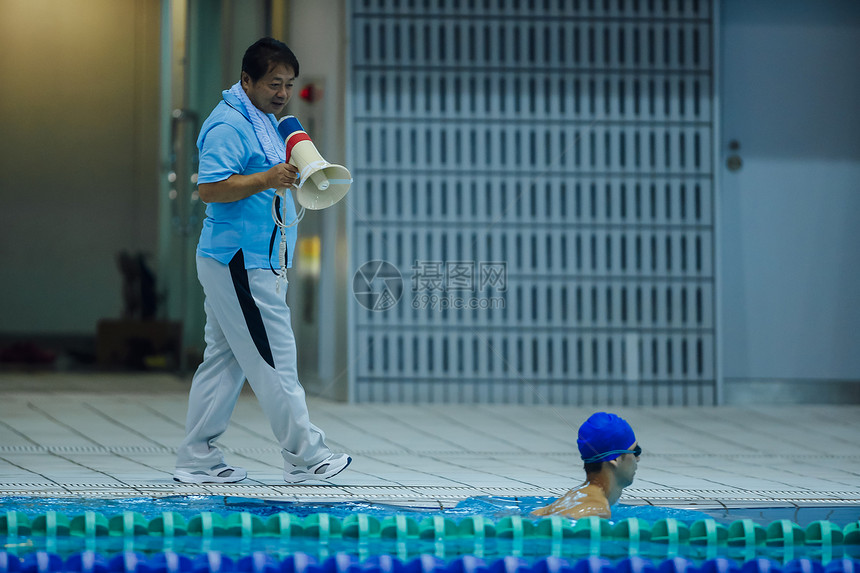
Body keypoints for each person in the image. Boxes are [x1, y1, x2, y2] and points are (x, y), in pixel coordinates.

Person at [173, 37, 351, 484]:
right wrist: (268, 178)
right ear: (246, 80)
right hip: (240, 262)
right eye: (274, 83)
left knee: (224, 362)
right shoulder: (227, 126)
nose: (282, 93)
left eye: (289, 84)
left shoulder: (267, 122)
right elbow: (210, 189)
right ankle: (307, 457)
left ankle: (197, 458)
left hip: (253, 260)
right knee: (274, 358)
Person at [532, 412, 640, 519]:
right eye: (635, 451)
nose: (638, 459)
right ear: (615, 459)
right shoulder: (596, 510)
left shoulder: (572, 496)